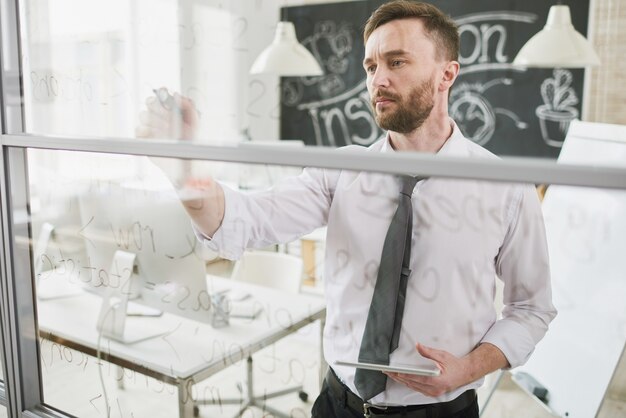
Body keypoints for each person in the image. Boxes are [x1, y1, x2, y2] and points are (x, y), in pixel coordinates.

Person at [138, 1, 557, 417]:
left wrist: (469, 367)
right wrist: (184, 169)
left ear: (447, 73)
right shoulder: (341, 171)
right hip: (338, 404)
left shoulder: (506, 186)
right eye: (371, 67)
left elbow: (531, 310)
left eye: (397, 62)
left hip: (442, 412)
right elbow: (241, 222)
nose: (379, 80)